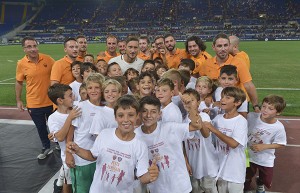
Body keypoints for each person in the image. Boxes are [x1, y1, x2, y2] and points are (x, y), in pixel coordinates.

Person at [67, 95, 159, 192]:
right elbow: (92, 155)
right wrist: (77, 150)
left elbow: (143, 177)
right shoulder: (104, 134)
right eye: (121, 115)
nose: (126, 119)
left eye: (131, 115)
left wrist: (151, 175)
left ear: (137, 116)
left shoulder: (140, 145)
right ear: (115, 117)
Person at [135, 95, 203, 193]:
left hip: (181, 188)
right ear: (139, 114)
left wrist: (190, 108)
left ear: (159, 114)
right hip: (157, 189)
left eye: (153, 111)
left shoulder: (171, 128)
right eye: (145, 111)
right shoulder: (135, 136)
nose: (148, 115)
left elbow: (197, 125)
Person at [15, 36, 55, 159]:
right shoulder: (21, 64)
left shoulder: (47, 59)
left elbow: (58, 73)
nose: (33, 49)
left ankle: (59, 143)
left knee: (55, 125)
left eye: (34, 46)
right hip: (34, 103)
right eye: (29, 47)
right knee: (41, 127)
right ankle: (46, 147)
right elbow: (19, 82)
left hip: (51, 101)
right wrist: (18, 100)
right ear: (24, 49)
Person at [65, 73, 105, 193]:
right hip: (82, 159)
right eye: (90, 88)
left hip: (101, 158)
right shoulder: (79, 106)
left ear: (102, 89)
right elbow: (70, 133)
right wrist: (69, 154)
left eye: (97, 87)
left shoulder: (108, 108)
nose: (93, 91)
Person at [199, 33, 260, 112]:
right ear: (213, 47)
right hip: (215, 105)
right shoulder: (206, 64)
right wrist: (208, 96)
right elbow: (203, 84)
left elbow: (248, 85)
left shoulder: (239, 62)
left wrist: (256, 106)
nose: (223, 49)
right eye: (219, 46)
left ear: (229, 46)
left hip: (238, 103)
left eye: (225, 45)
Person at [204, 87, 248, 193]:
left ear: (237, 102)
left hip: (235, 171)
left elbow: (234, 143)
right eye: (222, 97)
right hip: (221, 168)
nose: (222, 100)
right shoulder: (218, 118)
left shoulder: (241, 121)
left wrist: (214, 130)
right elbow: (207, 134)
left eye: (227, 98)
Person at [244, 95, 286, 193]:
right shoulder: (251, 116)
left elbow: (281, 144)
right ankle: (245, 187)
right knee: (246, 175)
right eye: (264, 106)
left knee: (266, 179)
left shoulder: (278, 127)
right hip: (248, 155)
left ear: (278, 112)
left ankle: (260, 183)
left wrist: (264, 146)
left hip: (265, 158)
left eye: (270, 108)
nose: (265, 110)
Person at [181, 89, 219, 193]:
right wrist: (186, 162)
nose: (187, 103)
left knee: (210, 189)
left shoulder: (204, 116)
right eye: (185, 101)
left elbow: (206, 134)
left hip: (207, 165)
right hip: (193, 166)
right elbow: (183, 144)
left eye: (191, 100)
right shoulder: (183, 120)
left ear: (198, 102)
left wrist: (192, 110)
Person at [47, 83, 82, 193]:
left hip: (83, 155)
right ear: (60, 100)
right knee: (69, 183)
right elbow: (60, 137)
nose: (74, 97)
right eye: (70, 95)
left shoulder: (77, 106)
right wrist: (70, 118)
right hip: (69, 157)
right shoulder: (53, 118)